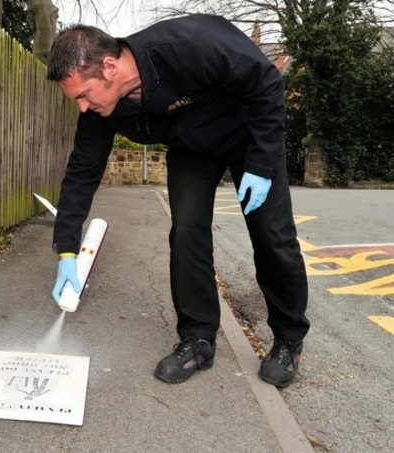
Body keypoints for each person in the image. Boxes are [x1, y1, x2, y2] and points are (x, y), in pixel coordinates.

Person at [46, 14, 310, 388]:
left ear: (108, 67)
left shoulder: (190, 44)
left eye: (83, 95)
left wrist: (263, 164)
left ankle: (288, 340)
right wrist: (67, 251)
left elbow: (266, 81)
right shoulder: (102, 111)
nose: (82, 108)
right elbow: (82, 172)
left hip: (250, 135)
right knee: (186, 232)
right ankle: (198, 338)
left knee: (272, 235)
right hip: (193, 150)